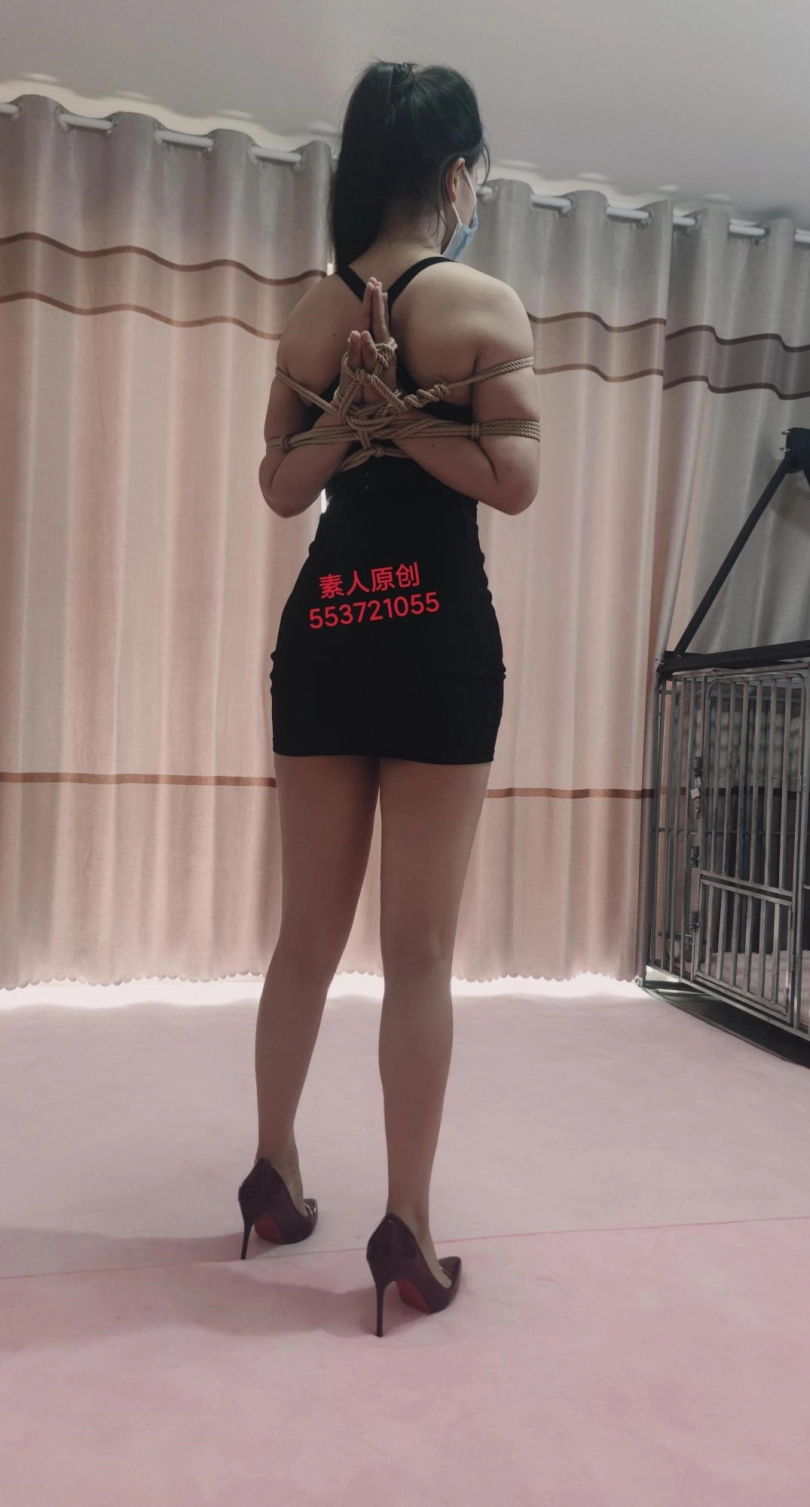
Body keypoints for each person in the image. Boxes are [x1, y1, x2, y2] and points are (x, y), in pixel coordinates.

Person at [237, 59, 541, 1337]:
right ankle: (407, 1225)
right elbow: (513, 479)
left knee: (305, 937)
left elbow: (280, 486)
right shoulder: (482, 304)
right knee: (417, 953)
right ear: (457, 173)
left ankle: (272, 1171)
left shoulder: (313, 315)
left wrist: (359, 415)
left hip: (329, 634)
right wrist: (414, 418)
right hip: (435, 641)